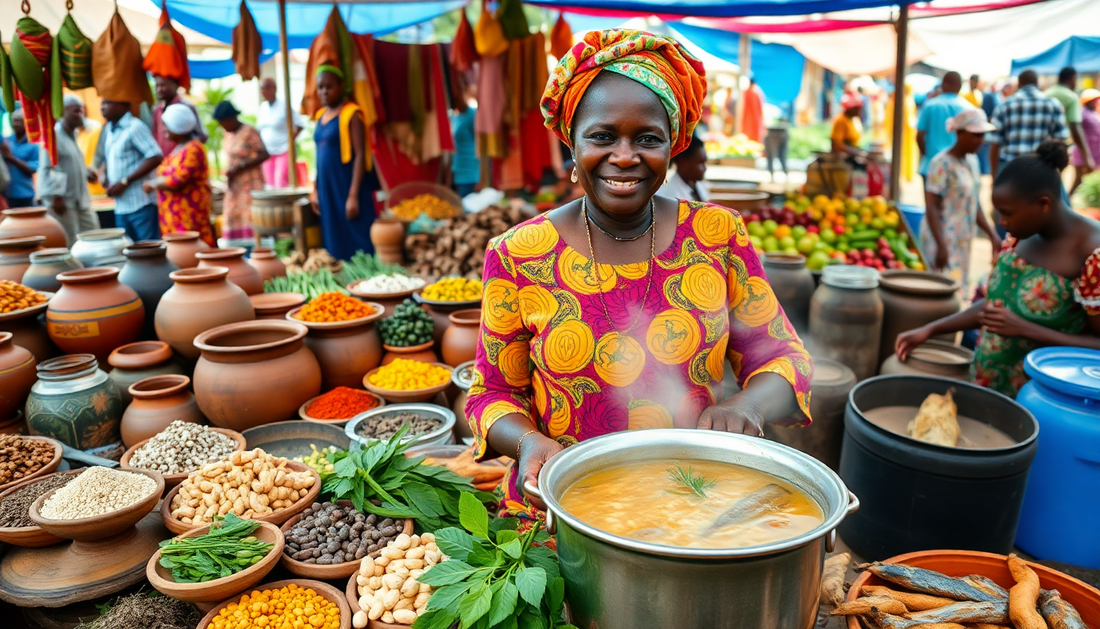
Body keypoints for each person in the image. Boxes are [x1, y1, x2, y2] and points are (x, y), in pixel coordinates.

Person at [467, 29, 812, 521]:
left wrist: (750, 404)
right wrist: (528, 442)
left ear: (673, 144)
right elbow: (492, 393)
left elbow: (783, 356)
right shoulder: (519, 253)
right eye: (602, 136)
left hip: (694, 509)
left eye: (647, 138)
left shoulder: (717, 235)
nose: (625, 157)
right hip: (559, 512)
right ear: (571, 142)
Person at [897, 141, 1100, 398]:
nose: (1001, 223)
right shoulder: (1019, 236)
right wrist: (930, 329)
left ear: (1043, 204)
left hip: (1041, 402)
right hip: (988, 387)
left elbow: (1097, 347)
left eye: (1007, 214)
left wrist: (1027, 329)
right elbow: (995, 307)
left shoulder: (1093, 255)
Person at [921, 109, 1002, 298]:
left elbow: (974, 203)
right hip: (941, 237)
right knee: (938, 290)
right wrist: (941, 245)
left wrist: (992, 234)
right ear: (960, 133)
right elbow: (931, 205)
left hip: (962, 237)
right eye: (975, 136)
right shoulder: (941, 163)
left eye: (982, 136)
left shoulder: (972, 162)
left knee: (956, 290)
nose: (980, 141)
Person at [310, 66, 381, 260]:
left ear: (341, 87)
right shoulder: (320, 116)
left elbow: (360, 155)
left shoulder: (352, 114)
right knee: (334, 233)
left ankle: (365, 280)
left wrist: (353, 196)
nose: (324, 92)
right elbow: (318, 156)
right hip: (328, 186)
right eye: (320, 87)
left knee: (356, 234)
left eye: (329, 87)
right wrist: (315, 189)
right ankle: (341, 279)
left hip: (348, 183)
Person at [141, 104, 216, 247]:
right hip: (173, 220)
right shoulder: (177, 149)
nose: (164, 129)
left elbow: (177, 180)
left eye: (167, 125)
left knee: (191, 254)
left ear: (178, 127)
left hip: (189, 218)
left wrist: (153, 184)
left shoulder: (194, 148)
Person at [36, 96, 100, 243]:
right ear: (62, 112)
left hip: (80, 200)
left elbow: (66, 163)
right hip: (62, 202)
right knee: (70, 241)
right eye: (76, 111)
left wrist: (85, 172)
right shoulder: (54, 135)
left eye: (82, 111)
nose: (81, 115)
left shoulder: (72, 136)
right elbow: (48, 167)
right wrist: (56, 197)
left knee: (92, 236)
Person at [101, 100, 163, 242]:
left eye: (107, 103)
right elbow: (108, 158)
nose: (102, 107)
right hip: (121, 207)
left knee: (148, 251)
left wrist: (125, 181)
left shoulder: (134, 127)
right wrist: (104, 175)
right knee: (128, 251)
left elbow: (155, 156)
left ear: (123, 105)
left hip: (141, 205)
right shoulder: (108, 129)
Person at [989, 70, 1068, 179]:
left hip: (1010, 169)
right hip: (1042, 169)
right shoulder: (1053, 104)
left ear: (1019, 84)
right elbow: (1061, 142)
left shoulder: (1004, 105)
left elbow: (995, 144)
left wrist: (994, 176)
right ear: (1036, 83)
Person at [212, 101, 269, 241]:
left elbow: (264, 154)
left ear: (231, 118)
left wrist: (241, 165)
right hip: (234, 186)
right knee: (232, 216)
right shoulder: (228, 135)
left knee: (250, 216)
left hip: (250, 183)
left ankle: (256, 251)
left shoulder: (249, 131)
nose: (222, 125)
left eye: (223, 122)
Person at [917, 71, 971, 189]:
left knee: (931, 204)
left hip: (930, 165)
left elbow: (920, 135)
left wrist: (926, 154)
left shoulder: (930, 105)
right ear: (960, 86)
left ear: (943, 84)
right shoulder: (967, 108)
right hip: (957, 170)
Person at [1047, 67, 1094, 177]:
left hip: (1043, 146)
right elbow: (1075, 126)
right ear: (1072, 78)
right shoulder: (1071, 97)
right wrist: (1086, 155)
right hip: (1059, 147)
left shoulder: (1047, 93)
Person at [257, 77, 304, 188]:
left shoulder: (284, 106)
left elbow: (300, 124)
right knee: (269, 184)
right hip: (267, 153)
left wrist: (290, 141)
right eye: (262, 89)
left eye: (266, 88)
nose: (264, 92)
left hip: (283, 151)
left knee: (280, 183)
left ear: (274, 89)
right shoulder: (263, 107)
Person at [150, 75, 207, 156]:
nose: (159, 89)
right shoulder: (157, 110)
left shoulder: (186, 106)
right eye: (157, 86)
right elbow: (155, 137)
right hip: (166, 164)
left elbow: (201, 135)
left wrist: (185, 153)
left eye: (163, 85)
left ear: (175, 85)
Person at [1, 109, 39, 208]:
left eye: (20, 121)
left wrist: (11, 157)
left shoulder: (33, 144)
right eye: (15, 121)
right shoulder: (6, 141)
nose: (17, 124)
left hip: (25, 194)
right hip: (7, 194)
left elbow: (32, 169)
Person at [449, 86, 479, 198]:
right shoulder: (453, 116)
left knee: (466, 200)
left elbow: (478, 140)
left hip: (470, 165)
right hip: (457, 166)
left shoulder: (472, 115)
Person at [660, 134, 708, 202]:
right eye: (700, 163)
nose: (705, 168)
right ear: (683, 163)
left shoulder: (698, 185)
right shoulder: (669, 196)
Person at [1071, 89, 1100, 193]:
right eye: (1094, 100)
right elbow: (1076, 131)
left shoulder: (1093, 112)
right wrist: (1086, 156)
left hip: (1094, 153)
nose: (1096, 102)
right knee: (1079, 181)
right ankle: (1069, 202)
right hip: (1083, 154)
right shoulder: (1082, 113)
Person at [831, 92, 865, 158]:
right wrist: (854, 151)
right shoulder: (841, 121)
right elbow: (836, 144)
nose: (859, 111)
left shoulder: (854, 119)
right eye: (856, 108)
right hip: (844, 157)